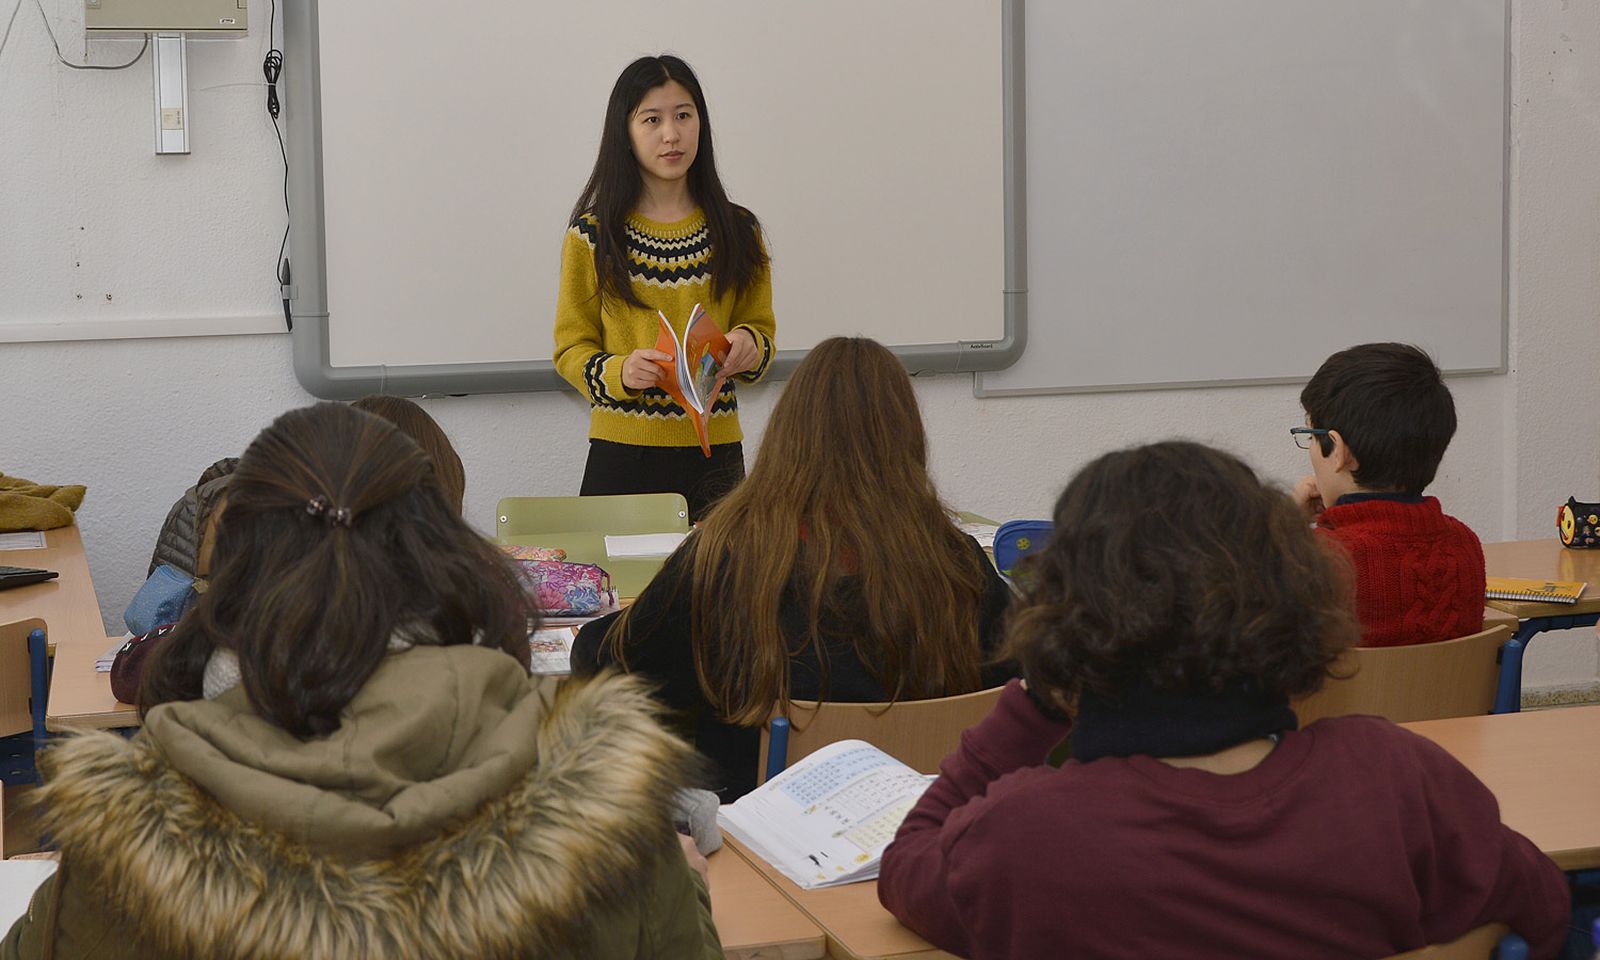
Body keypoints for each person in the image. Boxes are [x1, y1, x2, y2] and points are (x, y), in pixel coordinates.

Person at [3, 403, 721, 959]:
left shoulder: (125, 847)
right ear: (447, 551)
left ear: (233, 579)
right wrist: (675, 876)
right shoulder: (608, 814)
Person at [877, 441, 1569, 960]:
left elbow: (908, 862)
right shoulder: (1395, 778)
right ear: (1288, 594)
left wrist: (1035, 699)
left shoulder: (1024, 837)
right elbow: (1543, 906)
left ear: (1069, 617)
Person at [571, 337, 1014, 800]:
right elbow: (1023, 684)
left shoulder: (727, 557)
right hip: (925, 828)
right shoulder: (958, 564)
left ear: (788, 432)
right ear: (907, 438)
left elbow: (610, 662)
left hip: (755, 838)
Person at [553, 54, 776, 520]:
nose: (671, 134)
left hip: (716, 457)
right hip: (622, 456)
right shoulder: (593, 236)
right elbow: (570, 349)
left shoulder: (739, 230)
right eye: (651, 119)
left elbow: (760, 332)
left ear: (701, 124)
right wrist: (620, 372)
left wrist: (747, 348)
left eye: (683, 116)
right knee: (619, 592)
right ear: (626, 133)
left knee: (720, 589)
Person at [1291, 341, 1485, 646]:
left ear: (1338, 450)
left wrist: (1285, 529)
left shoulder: (1314, 560)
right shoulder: (1465, 544)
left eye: (1310, 436)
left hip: (1350, 696)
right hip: (1446, 695)